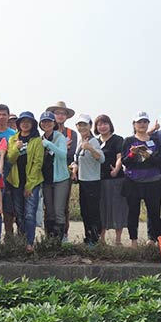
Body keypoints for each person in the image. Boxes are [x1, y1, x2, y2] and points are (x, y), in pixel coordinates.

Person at [121, 112, 161, 247]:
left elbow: (160, 161)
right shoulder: (128, 140)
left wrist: (148, 156)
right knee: (133, 212)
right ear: (134, 124)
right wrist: (132, 154)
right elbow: (125, 162)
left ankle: (156, 240)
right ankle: (133, 241)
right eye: (139, 122)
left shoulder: (155, 140)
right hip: (133, 181)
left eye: (145, 122)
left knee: (154, 213)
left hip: (153, 181)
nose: (142, 124)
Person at [6, 111, 44, 253]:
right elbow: (10, 159)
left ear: (33, 124)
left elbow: (37, 163)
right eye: (22, 121)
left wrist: (30, 185)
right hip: (16, 182)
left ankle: (29, 243)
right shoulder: (13, 139)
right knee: (19, 213)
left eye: (28, 121)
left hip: (31, 183)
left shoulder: (36, 141)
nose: (25, 124)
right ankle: (21, 241)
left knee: (29, 213)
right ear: (18, 124)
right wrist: (16, 148)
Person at [46, 101, 77, 242]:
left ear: (66, 116)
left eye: (62, 113)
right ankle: (49, 237)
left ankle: (63, 235)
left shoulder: (72, 133)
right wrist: (60, 146)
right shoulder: (46, 132)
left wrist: (54, 148)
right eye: (57, 113)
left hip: (64, 173)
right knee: (49, 208)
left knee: (63, 207)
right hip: (47, 174)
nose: (59, 115)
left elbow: (69, 153)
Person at [71, 114, 104, 245]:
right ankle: (88, 237)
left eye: (85, 124)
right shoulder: (80, 141)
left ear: (90, 126)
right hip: (83, 181)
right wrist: (74, 166)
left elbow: (101, 159)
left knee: (93, 212)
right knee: (85, 211)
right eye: (79, 125)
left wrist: (90, 148)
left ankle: (95, 240)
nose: (82, 127)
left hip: (93, 182)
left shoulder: (93, 141)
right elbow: (76, 159)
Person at [95, 114, 127, 245]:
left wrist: (117, 169)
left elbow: (120, 156)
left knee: (118, 208)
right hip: (99, 179)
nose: (102, 126)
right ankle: (101, 239)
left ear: (110, 125)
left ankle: (118, 240)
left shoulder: (118, 139)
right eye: (99, 124)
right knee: (102, 208)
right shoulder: (95, 141)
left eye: (105, 123)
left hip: (116, 179)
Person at [39, 111, 69, 241]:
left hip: (60, 179)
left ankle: (59, 242)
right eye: (44, 122)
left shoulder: (59, 137)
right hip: (46, 180)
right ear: (40, 124)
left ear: (54, 123)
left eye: (49, 121)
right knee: (49, 211)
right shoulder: (39, 139)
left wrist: (49, 144)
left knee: (58, 211)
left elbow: (63, 154)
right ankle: (49, 240)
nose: (47, 124)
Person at [0, 104, 17, 241]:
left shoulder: (14, 135)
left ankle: (9, 237)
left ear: (8, 116)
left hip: (10, 175)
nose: (1, 117)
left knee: (8, 208)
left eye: (4, 114)